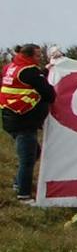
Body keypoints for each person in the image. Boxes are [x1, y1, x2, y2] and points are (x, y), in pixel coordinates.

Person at [2, 43, 57, 202]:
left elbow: (29, 80)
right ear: (28, 56)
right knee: (27, 159)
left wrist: (45, 71)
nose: (39, 58)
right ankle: (24, 195)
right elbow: (50, 94)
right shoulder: (30, 71)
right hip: (24, 120)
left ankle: (18, 183)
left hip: (10, 116)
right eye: (38, 56)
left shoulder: (11, 67)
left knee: (34, 153)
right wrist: (44, 75)